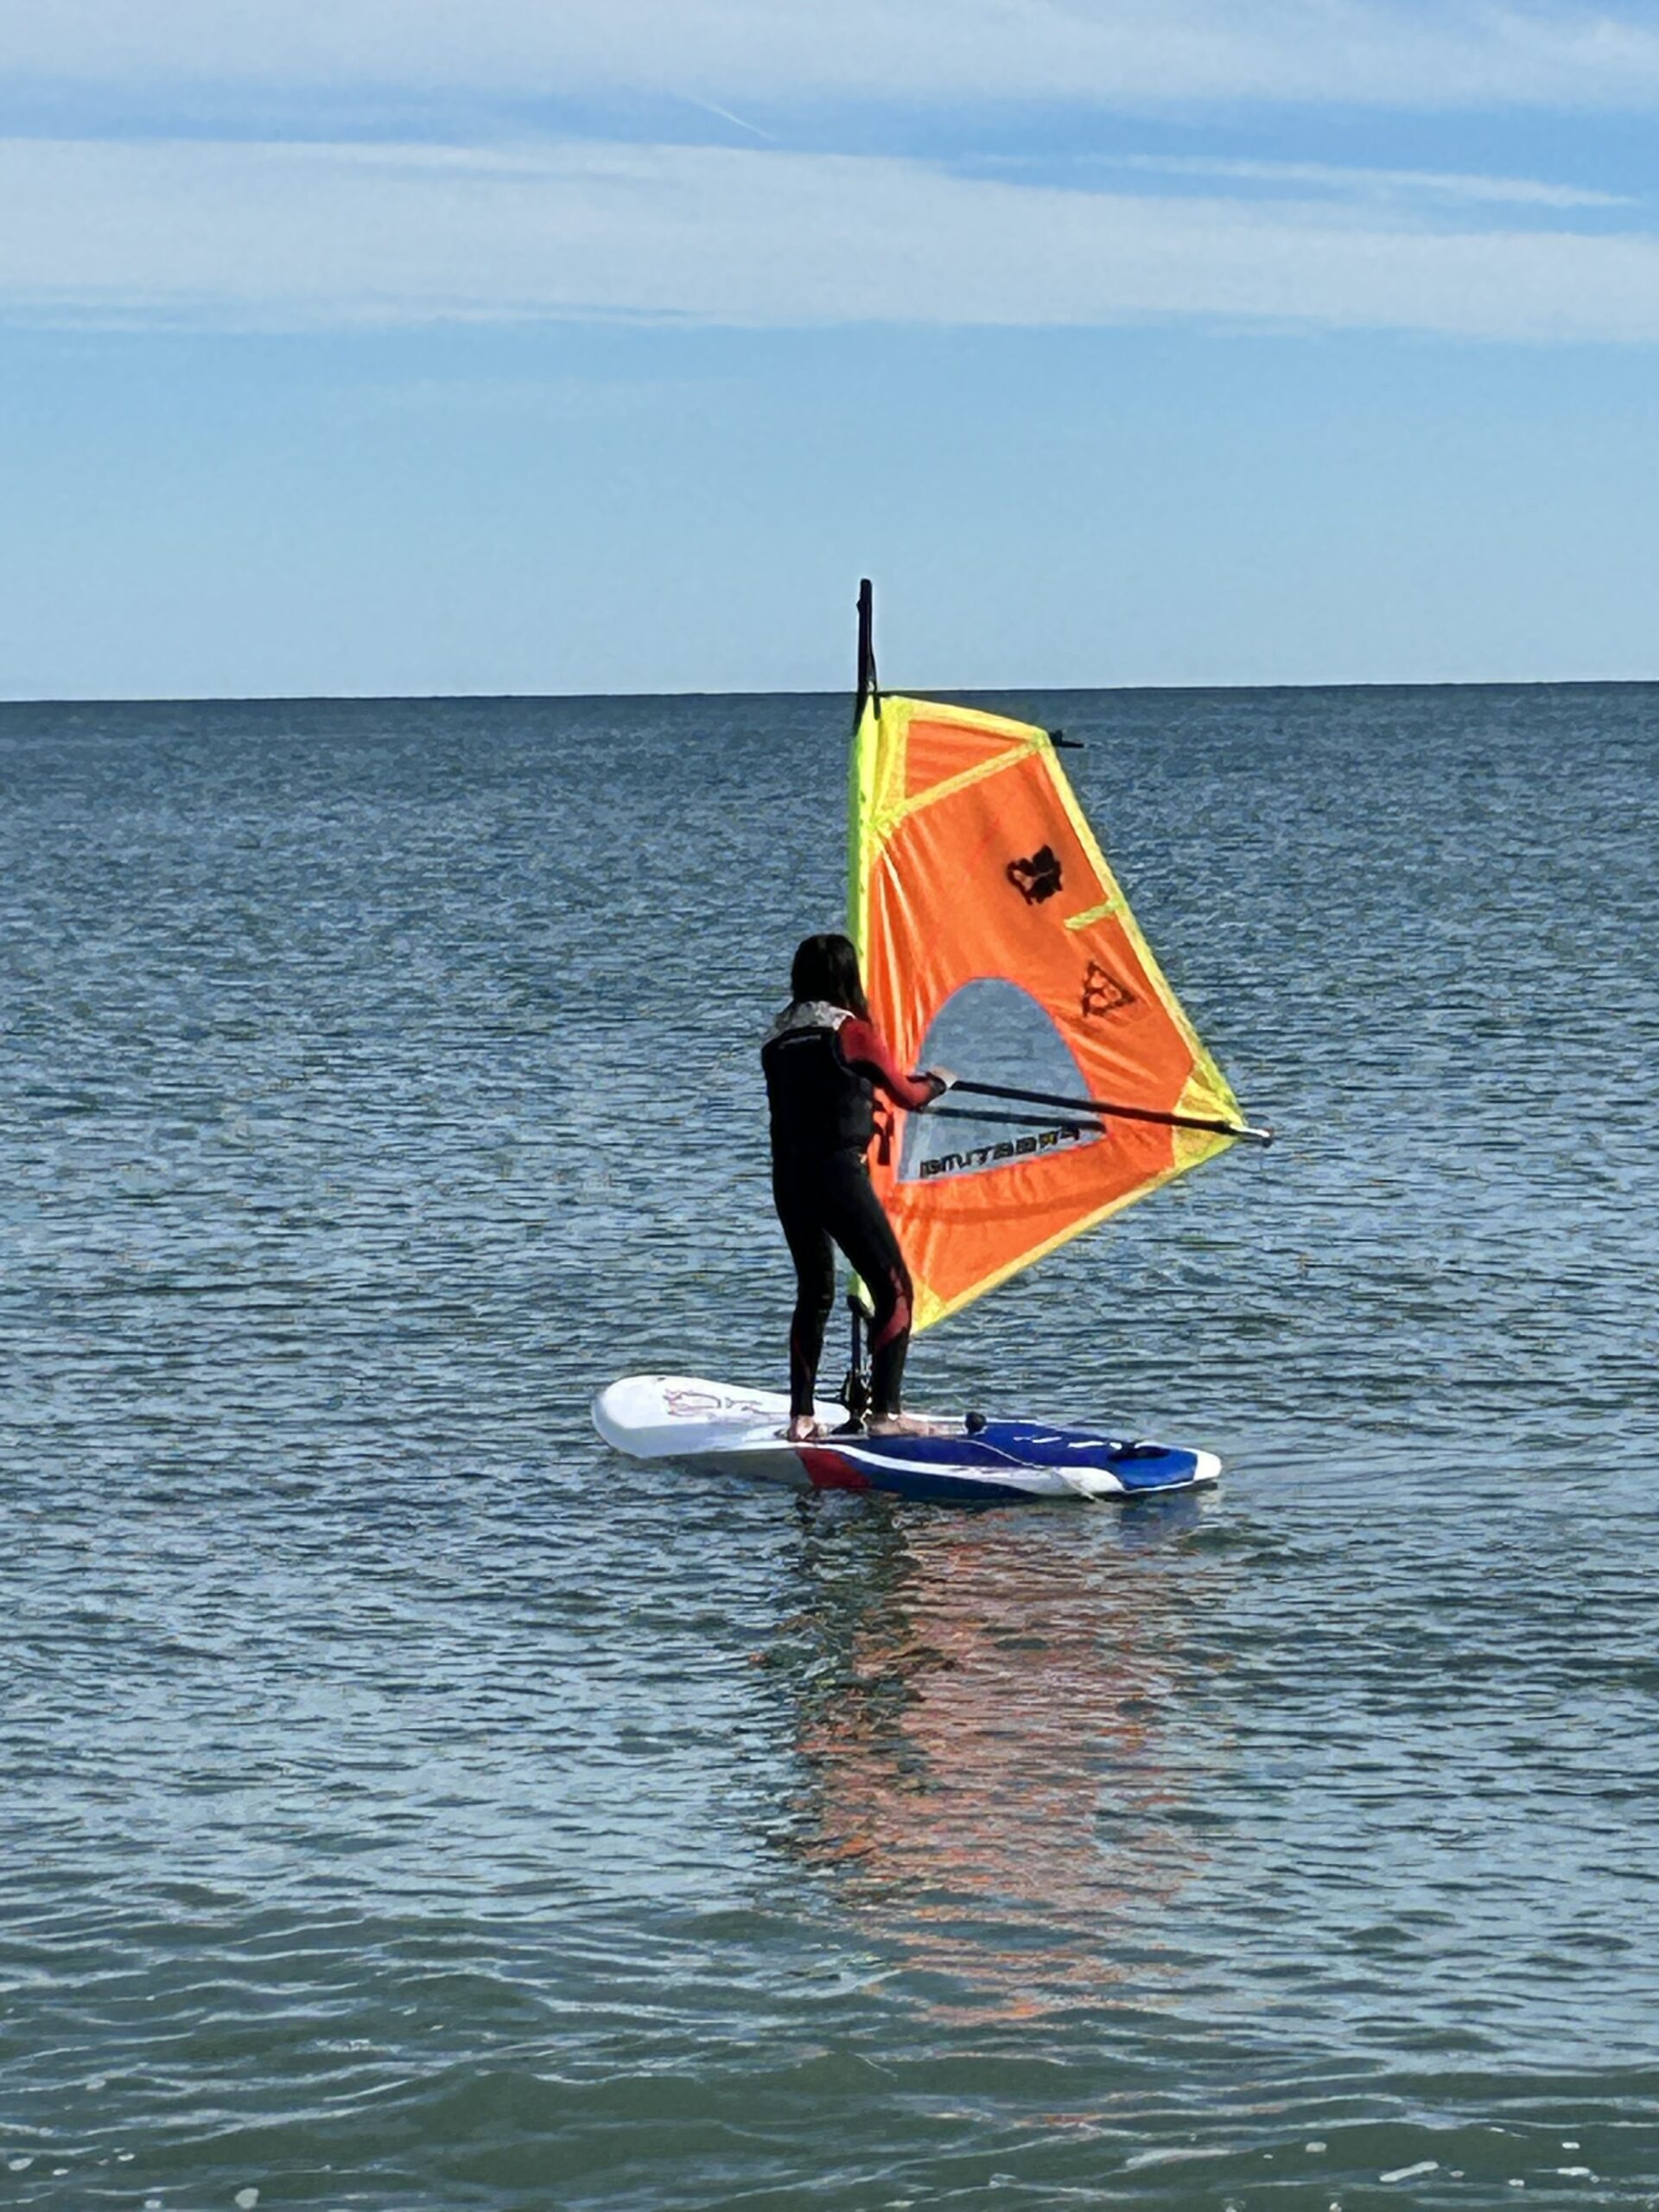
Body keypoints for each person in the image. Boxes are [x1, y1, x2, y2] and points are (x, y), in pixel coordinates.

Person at [761, 932, 953, 1442]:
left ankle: (801, 1417)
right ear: (847, 977)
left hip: (789, 1177)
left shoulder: (775, 1039)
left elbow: (818, 1093)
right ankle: (886, 1414)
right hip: (838, 1176)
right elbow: (909, 1096)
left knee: (815, 1292)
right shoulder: (853, 1033)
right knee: (895, 1289)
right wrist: (939, 1080)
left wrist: (863, 1092)